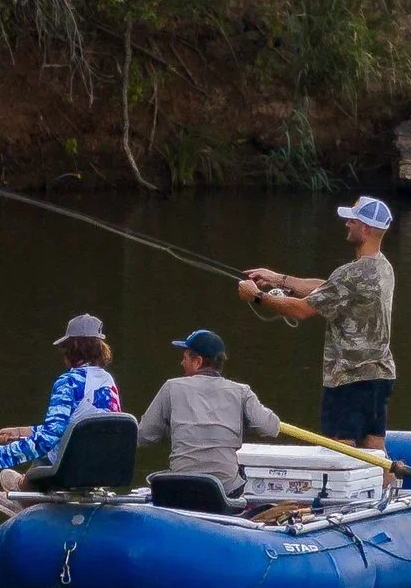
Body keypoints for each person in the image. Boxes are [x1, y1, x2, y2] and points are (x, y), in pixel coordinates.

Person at [238, 194, 396, 450]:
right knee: (375, 448)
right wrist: (278, 279)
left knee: (341, 450)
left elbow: (301, 310)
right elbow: (327, 288)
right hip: (380, 376)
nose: (347, 224)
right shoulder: (383, 267)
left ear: (365, 229)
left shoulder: (351, 273)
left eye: (352, 221)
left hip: (349, 379)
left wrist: (256, 296)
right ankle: (388, 491)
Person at [0, 312, 124, 491]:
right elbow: (70, 428)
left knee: (44, 455)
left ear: (72, 348)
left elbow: (49, 438)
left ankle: (24, 490)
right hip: (103, 468)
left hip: (71, 469)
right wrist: (19, 432)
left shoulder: (68, 382)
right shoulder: (108, 381)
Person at [136, 328, 278, 496]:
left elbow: (144, 435)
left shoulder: (171, 387)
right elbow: (271, 428)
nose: (182, 363)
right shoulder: (242, 392)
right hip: (225, 488)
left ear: (198, 361)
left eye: (185, 357)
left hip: (182, 485)